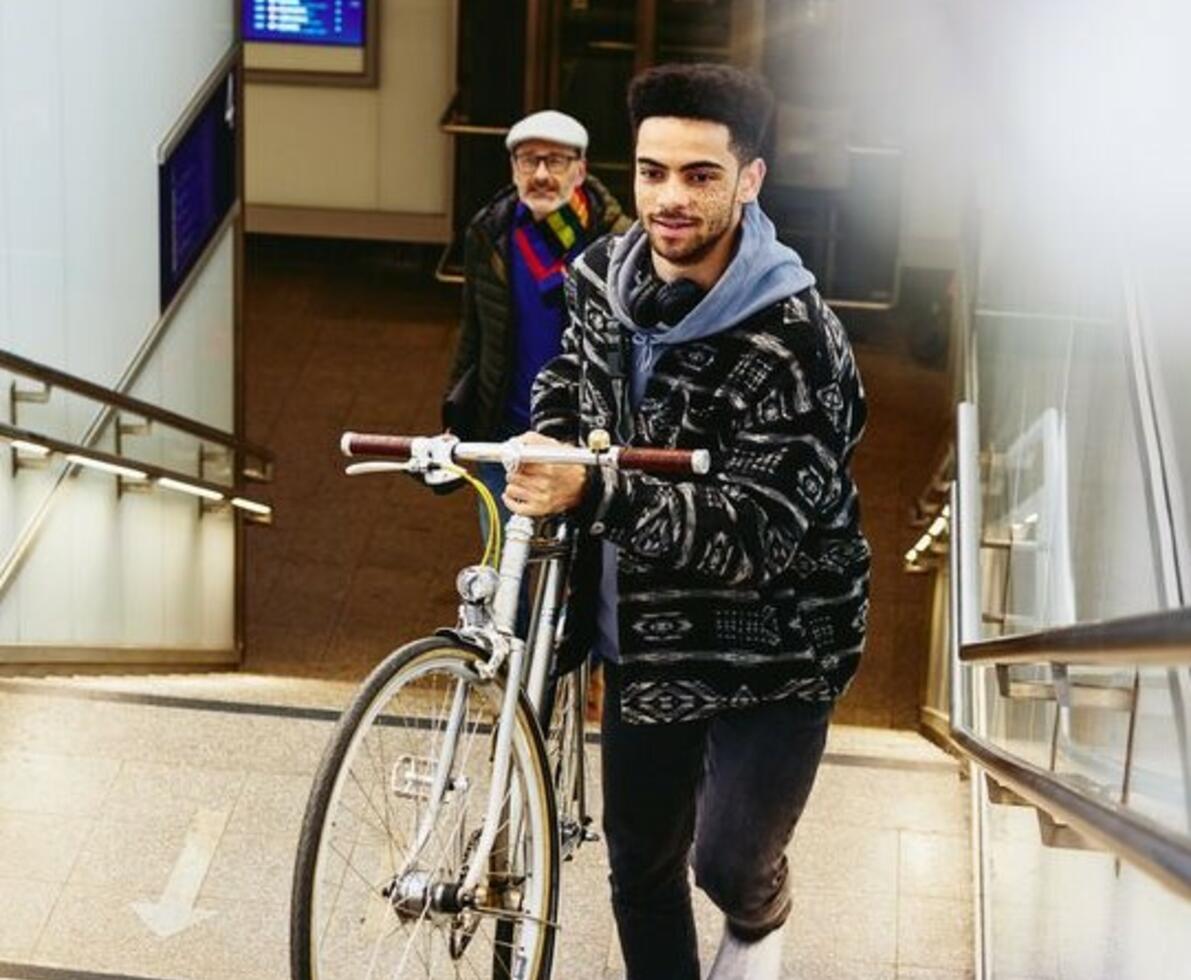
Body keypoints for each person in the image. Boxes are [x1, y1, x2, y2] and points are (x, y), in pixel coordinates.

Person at [503, 64, 870, 980]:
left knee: (727, 862)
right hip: (648, 640)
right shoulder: (600, 278)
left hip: (777, 648)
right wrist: (544, 440)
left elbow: (760, 533)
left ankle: (762, 911)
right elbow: (568, 384)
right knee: (641, 866)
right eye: (651, 170)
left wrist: (594, 492)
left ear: (749, 180)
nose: (669, 197)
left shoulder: (795, 337)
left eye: (700, 175)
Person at [443, 108, 630, 536]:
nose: (541, 174)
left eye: (556, 161)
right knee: (503, 575)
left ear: (580, 170)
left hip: (582, 444)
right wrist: (455, 419)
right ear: (513, 169)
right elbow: (473, 332)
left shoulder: (615, 242)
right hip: (505, 436)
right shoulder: (490, 234)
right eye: (529, 160)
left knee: (577, 576)